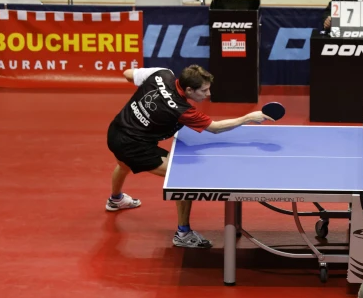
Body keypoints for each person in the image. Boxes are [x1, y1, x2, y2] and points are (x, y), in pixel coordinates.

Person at [105, 65, 271, 248]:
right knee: (181, 179)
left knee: (123, 165)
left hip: (116, 131)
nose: (208, 94)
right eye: (204, 90)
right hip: (134, 146)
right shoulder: (181, 109)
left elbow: (128, 74)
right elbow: (215, 128)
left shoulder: (162, 73)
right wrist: (247, 118)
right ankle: (183, 234)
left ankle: (116, 199)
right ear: (189, 89)